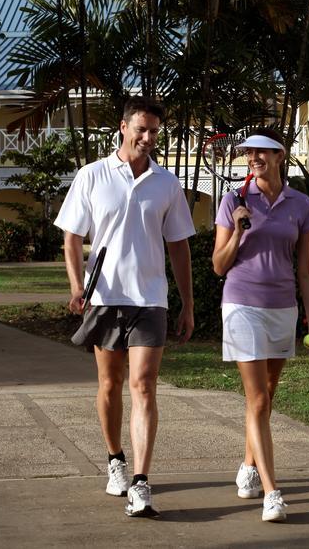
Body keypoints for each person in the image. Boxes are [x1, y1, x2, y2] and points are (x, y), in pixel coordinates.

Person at [55, 97, 196, 518]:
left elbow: (179, 247)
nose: (148, 138)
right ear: (122, 127)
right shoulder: (93, 175)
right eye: (141, 129)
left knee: (145, 385)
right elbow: (71, 239)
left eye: (154, 131)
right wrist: (78, 286)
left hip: (150, 299)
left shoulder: (166, 183)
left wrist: (187, 303)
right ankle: (115, 459)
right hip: (104, 298)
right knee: (110, 385)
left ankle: (140, 482)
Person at [212, 128, 309, 523]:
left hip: (283, 307)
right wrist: (239, 230)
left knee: (268, 395)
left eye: (262, 151)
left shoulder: (302, 205)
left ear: (280, 155)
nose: (254, 157)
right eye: (249, 152)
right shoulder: (234, 201)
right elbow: (218, 265)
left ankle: (247, 464)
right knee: (257, 399)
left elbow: (306, 270)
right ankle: (272, 491)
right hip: (241, 304)